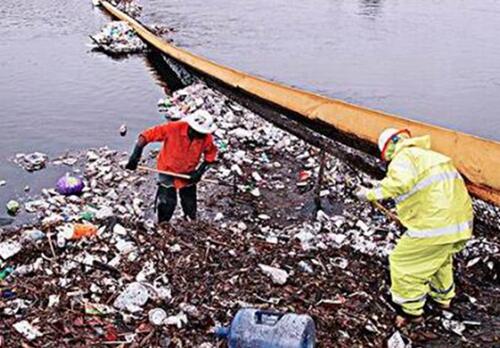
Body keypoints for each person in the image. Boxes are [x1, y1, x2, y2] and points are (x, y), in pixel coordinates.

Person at [355, 128, 473, 326]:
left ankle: (411, 312)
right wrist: (376, 186)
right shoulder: (430, 156)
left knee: (403, 262)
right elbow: (412, 182)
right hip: (459, 223)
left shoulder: (403, 157)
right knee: (439, 259)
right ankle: (443, 300)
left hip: (434, 225)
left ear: (386, 149)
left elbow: (400, 182)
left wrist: (368, 194)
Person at [126, 110, 218, 223]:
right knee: (167, 202)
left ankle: (190, 221)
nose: (201, 135)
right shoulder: (173, 128)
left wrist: (200, 171)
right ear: (191, 127)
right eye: (198, 132)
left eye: (203, 133)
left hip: (189, 172)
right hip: (167, 170)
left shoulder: (206, 138)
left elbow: (211, 154)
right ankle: (163, 224)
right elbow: (145, 136)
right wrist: (136, 155)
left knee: (189, 201)